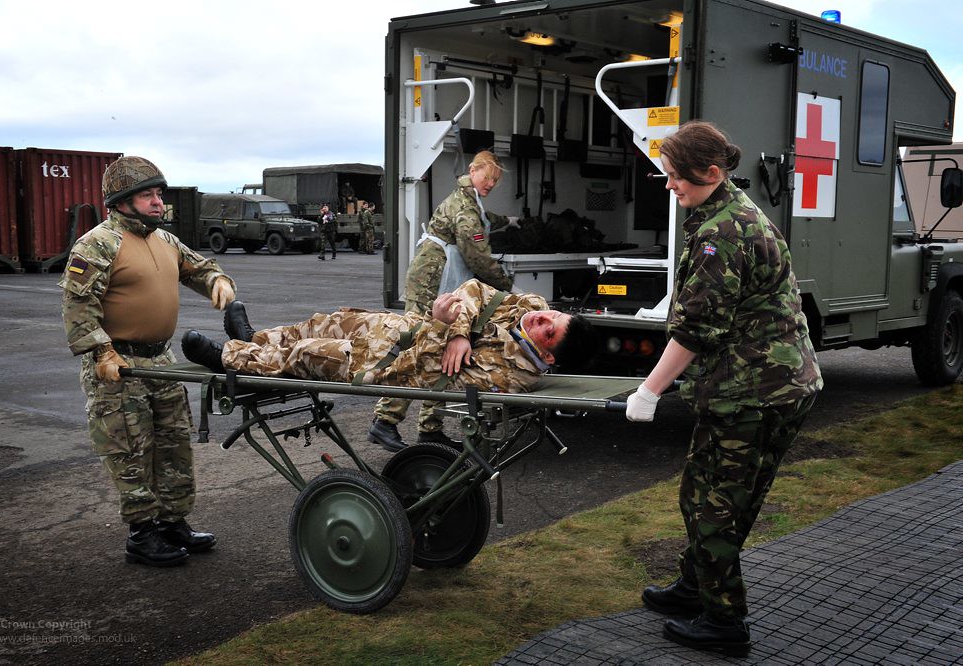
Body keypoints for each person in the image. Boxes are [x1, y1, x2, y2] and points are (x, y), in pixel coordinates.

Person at [623, 121, 823, 657]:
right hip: (759, 387)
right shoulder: (723, 214)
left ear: (710, 173)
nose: (669, 185)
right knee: (700, 493)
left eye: (674, 176)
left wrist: (649, 391)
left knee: (716, 509)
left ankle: (724, 622)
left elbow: (695, 331)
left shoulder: (723, 233)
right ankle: (696, 589)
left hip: (759, 394)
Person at [59, 156, 237, 567]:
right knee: (129, 449)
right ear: (122, 201)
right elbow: (77, 304)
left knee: (174, 443)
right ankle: (143, 533)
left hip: (161, 361)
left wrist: (218, 279)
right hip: (119, 366)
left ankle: (173, 521)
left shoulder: (164, 240)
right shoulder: (97, 244)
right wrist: (101, 352)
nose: (158, 203)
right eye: (148, 195)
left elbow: (199, 268)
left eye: (159, 194)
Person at [183, 279, 596, 396]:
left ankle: (230, 358)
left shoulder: (511, 376)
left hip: (388, 366)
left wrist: (442, 326)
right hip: (401, 331)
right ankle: (255, 339)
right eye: (555, 315)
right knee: (321, 323)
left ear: (549, 356)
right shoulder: (528, 307)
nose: (543, 317)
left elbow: (433, 369)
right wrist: (458, 333)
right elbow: (476, 290)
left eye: (550, 329)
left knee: (306, 353)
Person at [370, 150, 519, 451]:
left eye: (495, 180)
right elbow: (476, 255)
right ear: (473, 171)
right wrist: (505, 287)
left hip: (443, 278)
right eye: (487, 176)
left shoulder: (470, 202)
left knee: (441, 351)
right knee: (419, 346)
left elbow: (485, 220)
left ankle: (430, 427)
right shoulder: (464, 207)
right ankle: (384, 422)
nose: (490, 183)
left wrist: (509, 220)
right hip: (433, 279)